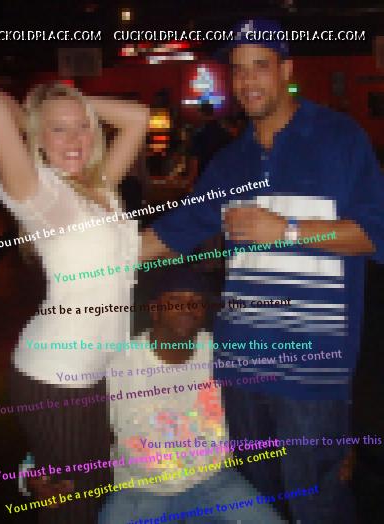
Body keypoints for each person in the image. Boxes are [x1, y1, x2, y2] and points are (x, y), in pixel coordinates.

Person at [141, 18, 384, 524]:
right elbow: (170, 234)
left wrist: (288, 230)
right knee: (257, 501)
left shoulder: (340, 139)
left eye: (260, 66)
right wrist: (88, 254)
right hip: (242, 361)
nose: (248, 80)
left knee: (317, 501)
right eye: (238, 70)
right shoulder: (230, 162)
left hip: (312, 363)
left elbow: (374, 234)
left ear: (286, 71)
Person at [0, 82, 149, 523]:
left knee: (96, 489)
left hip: (96, 371)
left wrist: (73, 106)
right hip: (54, 377)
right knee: (71, 507)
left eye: (83, 127)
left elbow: (138, 118)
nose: (75, 139)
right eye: (58, 129)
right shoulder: (40, 194)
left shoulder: (99, 186)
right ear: (37, 137)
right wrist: (35, 116)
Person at [98, 267, 285, 524]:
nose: (187, 308)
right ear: (155, 310)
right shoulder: (119, 363)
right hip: (141, 490)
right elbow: (84, 427)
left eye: (196, 302)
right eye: (175, 300)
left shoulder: (220, 352)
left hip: (214, 481)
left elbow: (272, 392)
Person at [188, 102, 232, 178]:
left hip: (204, 176)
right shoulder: (224, 133)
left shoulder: (200, 135)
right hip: (221, 175)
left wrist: (191, 180)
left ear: (202, 113)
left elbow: (195, 162)